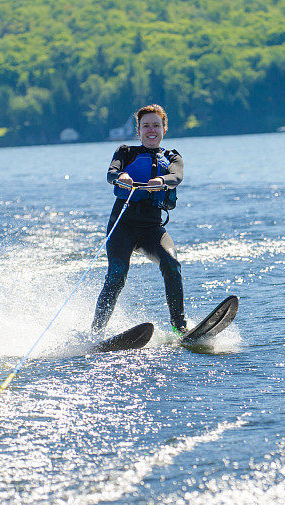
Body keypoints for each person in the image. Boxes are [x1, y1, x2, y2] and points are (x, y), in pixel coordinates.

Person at [91, 104, 188, 335]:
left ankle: (180, 327)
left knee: (171, 264)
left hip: (152, 229)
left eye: (156, 125)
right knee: (117, 273)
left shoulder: (172, 157)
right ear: (139, 129)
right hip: (121, 226)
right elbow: (111, 174)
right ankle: (95, 333)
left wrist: (163, 181)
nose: (151, 130)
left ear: (164, 128)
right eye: (146, 126)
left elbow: (176, 176)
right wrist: (121, 176)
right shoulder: (125, 153)